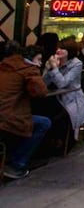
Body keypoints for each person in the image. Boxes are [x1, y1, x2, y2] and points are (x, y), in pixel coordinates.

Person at [0, 42, 50, 179]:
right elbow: (42, 92)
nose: (40, 63)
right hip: (7, 119)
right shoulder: (28, 69)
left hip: (5, 114)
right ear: (31, 59)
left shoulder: (5, 66)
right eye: (39, 60)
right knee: (44, 123)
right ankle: (17, 164)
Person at [42, 38, 84, 147]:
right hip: (53, 97)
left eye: (63, 49)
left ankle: (65, 142)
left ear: (69, 51)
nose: (59, 50)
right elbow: (44, 83)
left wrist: (55, 69)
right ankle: (47, 142)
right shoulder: (51, 61)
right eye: (58, 48)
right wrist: (49, 68)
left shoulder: (76, 64)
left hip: (72, 98)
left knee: (58, 116)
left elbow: (63, 83)